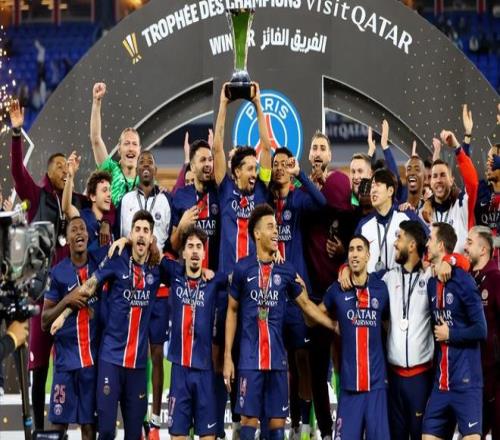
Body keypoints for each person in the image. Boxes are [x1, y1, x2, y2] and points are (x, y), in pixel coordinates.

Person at [223, 204, 336, 440]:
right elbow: (232, 311)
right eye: (270, 227)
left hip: (277, 360)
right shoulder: (242, 268)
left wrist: (333, 325)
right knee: (248, 422)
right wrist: (227, 357)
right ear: (257, 233)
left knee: (276, 424)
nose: (276, 231)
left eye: (276, 226)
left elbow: (306, 305)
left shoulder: (286, 270)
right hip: (249, 360)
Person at [8, 99, 84, 431]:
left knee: (68, 368)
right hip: (42, 298)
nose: (65, 170)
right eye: (60, 166)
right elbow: (17, 171)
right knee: (39, 369)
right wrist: (16, 133)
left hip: (68, 296)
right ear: (48, 171)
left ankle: (64, 429)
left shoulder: (72, 200)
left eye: (67, 167)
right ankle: (38, 430)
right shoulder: (36, 194)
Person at [53, 210, 160, 439]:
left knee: (134, 434)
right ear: (130, 235)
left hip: (137, 366)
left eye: (146, 231)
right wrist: (63, 315)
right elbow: (90, 285)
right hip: (111, 359)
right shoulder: (117, 259)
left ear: (151, 237)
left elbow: (187, 273)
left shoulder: (157, 268)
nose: (141, 235)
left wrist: (207, 272)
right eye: (137, 230)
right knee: (106, 432)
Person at [213, 82, 272, 436]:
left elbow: (267, 145)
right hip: (225, 289)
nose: (253, 172)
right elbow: (217, 147)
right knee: (221, 355)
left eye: (255, 167)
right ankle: (220, 420)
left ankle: (247, 420)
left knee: (251, 357)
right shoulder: (224, 190)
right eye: (248, 167)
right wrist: (223, 104)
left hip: (256, 293)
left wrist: (257, 103)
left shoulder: (261, 192)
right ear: (235, 172)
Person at [269, 146, 327, 438]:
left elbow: (322, 202)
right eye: (275, 164)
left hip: (296, 292)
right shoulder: (265, 201)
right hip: (270, 292)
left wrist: (300, 174)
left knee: (302, 359)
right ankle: (290, 423)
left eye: (285, 163)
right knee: (284, 362)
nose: (280, 168)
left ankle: (305, 423)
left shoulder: (298, 198)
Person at [117, 150, 172, 438]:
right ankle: (135, 416)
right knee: (134, 350)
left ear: (156, 168)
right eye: (142, 162)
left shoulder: (164, 201)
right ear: (136, 169)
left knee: (157, 351)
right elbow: (122, 237)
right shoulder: (127, 200)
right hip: (132, 284)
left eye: (150, 161)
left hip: (158, 286)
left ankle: (155, 420)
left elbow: (168, 238)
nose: (146, 165)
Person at [302, 131, 352, 439]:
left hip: (343, 291)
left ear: (330, 155)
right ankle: (324, 430)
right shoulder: (301, 188)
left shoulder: (339, 182)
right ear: (309, 155)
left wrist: (344, 251)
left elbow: (342, 210)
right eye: (314, 148)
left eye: (323, 148)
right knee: (316, 369)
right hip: (315, 296)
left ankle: (348, 424)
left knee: (344, 364)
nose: (318, 152)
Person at [41, 217, 107, 440]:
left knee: (88, 427)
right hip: (65, 364)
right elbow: (44, 321)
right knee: (58, 427)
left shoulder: (99, 265)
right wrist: (67, 300)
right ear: (67, 239)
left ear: (88, 236)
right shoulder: (57, 273)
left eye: (82, 229)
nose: (79, 232)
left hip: (91, 364)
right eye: (74, 230)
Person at [319, 235, 390, 440]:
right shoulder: (337, 290)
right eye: (351, 250)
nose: (354, 254)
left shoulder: (381, 288)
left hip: (377, 386)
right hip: (350, 387)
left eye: (359, 249)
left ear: (368, 255)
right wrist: (332, 324)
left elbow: (388, 324)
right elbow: (313, 316)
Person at [160, 226, 227, 439]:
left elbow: (240, 277)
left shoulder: (215, 280)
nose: (195, 250)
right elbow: (153, 251)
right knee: (177, 435)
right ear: (184, 253)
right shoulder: (174, 274)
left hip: (205, 370)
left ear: (204, 253)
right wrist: (123, 241)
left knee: (208, 435)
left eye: (199, 246)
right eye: (190, 246)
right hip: (179, 370)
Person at [423, 222, 487, 440]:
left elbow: (481, 329)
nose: (427, 244)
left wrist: (451, 334)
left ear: (441, 245)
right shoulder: (431, 283)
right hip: (440, 384)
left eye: (430, 239)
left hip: (466, 384)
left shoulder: (464, 281)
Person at [464, 226, 500, 439]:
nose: (464, 247)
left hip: (494, 376)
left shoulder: (495, 279)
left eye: (469, 243)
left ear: (483, 249)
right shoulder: (467, 278)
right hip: (471, 374)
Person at [355, 168, 425, 272]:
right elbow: (352, 254)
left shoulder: (407, 216)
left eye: (378, 185)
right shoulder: (364, 225)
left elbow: (429, 241)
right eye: (372, 186)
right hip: (372, 282)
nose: (373, 190)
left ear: (390, 191)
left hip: (401, 281)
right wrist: (344, 268)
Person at [421, 130, 479, 252]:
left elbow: (472, 183)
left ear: (451, 180)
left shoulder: (462, 205)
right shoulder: (424, 213)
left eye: (443, 175)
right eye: (435, 176)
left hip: (461, 264)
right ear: (430, 182)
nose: (438, 180)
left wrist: (457, 147)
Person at [171, 139, 219, 270]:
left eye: (210, 160)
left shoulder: (220, 193)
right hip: (189, 276)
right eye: (203, 160)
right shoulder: (180, 195)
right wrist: (181, 226)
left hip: (216, 275)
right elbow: (174, 246)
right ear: (192, 167)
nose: (208, 164)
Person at [90, 82, 140, 205]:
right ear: (119, 149)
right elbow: (96, 140)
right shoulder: (110, 170)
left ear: (139, 150)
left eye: (134, 144)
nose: (131, 148)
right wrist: (96, 102)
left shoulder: (146, 180)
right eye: (126, 143)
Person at [62, 157, 113, 250]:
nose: (109, 194)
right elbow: (66, 208)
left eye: (110, 190)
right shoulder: (83, 216)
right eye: (104, 190)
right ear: (93, 196)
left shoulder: (113, 220)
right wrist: (70, 176)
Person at [475, 143, 500, 268]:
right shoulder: (481, 189)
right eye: (488, 159)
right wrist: (430, 201)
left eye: (493, 158)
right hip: (483, 266)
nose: (488, 163)